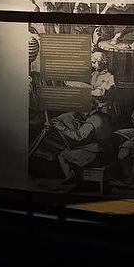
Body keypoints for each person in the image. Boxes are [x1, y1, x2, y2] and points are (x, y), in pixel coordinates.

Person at [52, 52, 116, 184]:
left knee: (68, 148)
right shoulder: (95, 74)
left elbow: (99, 93)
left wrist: (81, 89)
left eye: (94, 62)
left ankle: (72, 177)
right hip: (97, 119)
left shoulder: (108, 77)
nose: (92, 65)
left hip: (101, 116)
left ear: (102, 62)